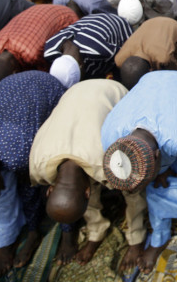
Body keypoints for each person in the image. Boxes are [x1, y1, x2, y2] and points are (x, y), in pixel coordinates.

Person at [102, 71, 177, 273]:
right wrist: (155, 174)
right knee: (155, 188)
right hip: (149, 82)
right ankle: (159, 237)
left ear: (159, 155)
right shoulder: (110, 137)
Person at [29, 80, 147, 269]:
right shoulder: (38, 164)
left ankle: (136, 238)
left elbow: (134, 191)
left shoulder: (110, 161)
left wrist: (136, 239)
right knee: (78, 186)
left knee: (132, 190)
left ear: (50, 190)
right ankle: (96, 230)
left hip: (113, 91)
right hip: (75, 92)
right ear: (49, 189)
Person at [0, 71, 65, 279]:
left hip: (48, 88)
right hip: (11, 84)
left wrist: (34, 229)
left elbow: (31, 193)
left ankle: (26, 236)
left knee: (37, 180)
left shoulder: (18, 156)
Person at [0, 4, 79, 82]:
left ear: (15, 72)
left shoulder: (32, 54)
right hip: (38, 9)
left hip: (64, 15)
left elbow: (45, 77)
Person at [43, 13, 133, 86]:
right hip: (88, 21)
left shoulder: (98, 51)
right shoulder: (49, 51)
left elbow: (126, 54)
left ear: (81, 65)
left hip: (116, 24)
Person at [114, 17, 177, 90]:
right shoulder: (119, 59)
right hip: (149, 24)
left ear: (150, 71)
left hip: (172, 27)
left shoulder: (163, 58)